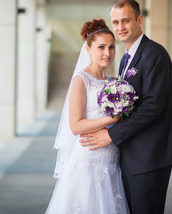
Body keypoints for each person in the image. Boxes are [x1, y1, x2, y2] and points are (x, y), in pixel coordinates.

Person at [80, 0, 172, 214]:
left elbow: (152, 106)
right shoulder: (125, 58)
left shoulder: (155, 54)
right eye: (116, 22)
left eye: (125, 21)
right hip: (131, 153)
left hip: (151, 154)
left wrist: (111, 135)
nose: (120, 27)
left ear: (139, 20)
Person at [45, 19, 130, 214]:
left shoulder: (114, 82)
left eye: (111, 47)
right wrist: (112, 119)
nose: (107, 53)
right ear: (88, 49)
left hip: (112, 160)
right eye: (101, 47)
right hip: (88, 161)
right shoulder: (81, 80)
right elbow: (75, 126)